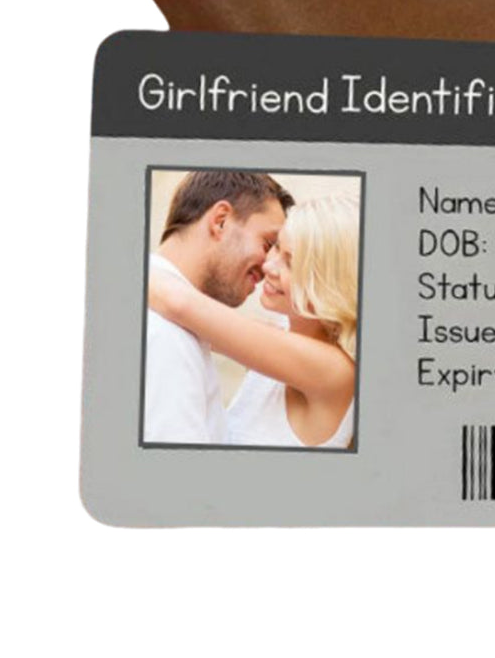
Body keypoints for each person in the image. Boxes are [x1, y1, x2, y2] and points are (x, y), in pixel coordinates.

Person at [148, 194, 359, 449]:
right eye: (275, 246)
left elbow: (179, 303)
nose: (268, 266)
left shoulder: (334, 372)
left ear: (329, 284)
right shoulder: (279, 332)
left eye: (290, 263)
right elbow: (196, 327)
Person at [143, 171, 293, 445]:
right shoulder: (168, 336)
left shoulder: (173, 324)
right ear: (220, 221)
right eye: (268, 244)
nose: (269, 266)